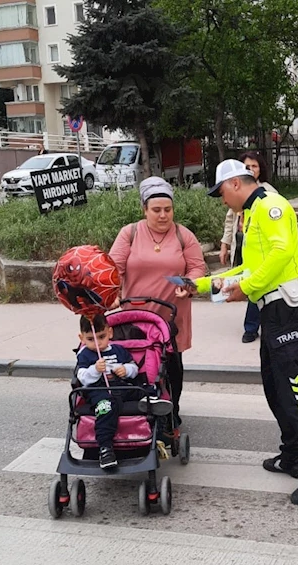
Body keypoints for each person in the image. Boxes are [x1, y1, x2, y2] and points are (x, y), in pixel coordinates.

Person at [195, 160, 298, 506]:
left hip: (288, 309)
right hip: (272, 312)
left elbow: (281, 252)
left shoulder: (272, 206)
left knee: (294, 391)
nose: (221, 201)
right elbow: (248, 266)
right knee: (275, 390)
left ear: (233, 184)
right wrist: (200, 285)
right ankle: (292, 455)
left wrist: (248, 287)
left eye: (220, 193)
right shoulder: (254, 211)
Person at [109, 176, 206, 427]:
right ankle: (136, 410)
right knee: (136, 363)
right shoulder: (130, 233)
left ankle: (171, 411)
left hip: (172, 316)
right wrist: (113, 294)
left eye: (168, 209)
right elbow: (113, 268)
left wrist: (189, 284)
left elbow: (197, 267)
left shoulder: (184, 236)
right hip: (135, 316)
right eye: (156, 210)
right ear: (144, 209)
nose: (163, 215)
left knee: (172, 366)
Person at [76, 313, 171, 469]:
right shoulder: (85, 354)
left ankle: (151, 404)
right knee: (106, 408)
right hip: (98, 390)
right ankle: (105, 449)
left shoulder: (119, 350)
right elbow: (82, 378)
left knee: (145, 389)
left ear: (110, 333)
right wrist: (94, 370)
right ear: (82, 338)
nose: (97, 343)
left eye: (101, 337)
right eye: (91, 339)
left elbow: (134, 368)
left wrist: (126, 370)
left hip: (122, 386)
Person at [219, 151, 276, 344]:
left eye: (254, 166)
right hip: (243, 244)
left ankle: (253, 327)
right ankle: (255, 326)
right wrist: (225, 244)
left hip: (262, 249)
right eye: (247, 167)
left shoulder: (270, 196)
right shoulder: (236, 198)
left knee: (255, 282)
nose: (251, 170)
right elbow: (229, 221)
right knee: (249, 279)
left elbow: (281, 250)